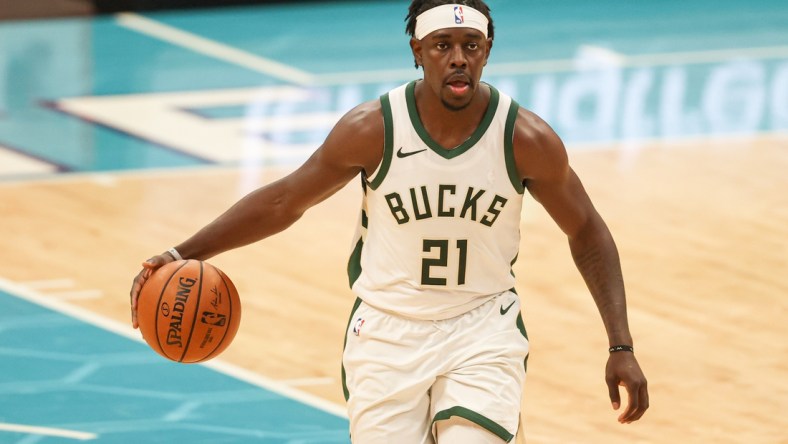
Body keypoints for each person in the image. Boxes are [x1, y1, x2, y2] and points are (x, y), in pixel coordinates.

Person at [129, 1, 649, 442]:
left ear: (487, 52)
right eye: (442, 45)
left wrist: (620, 345)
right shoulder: (372, 128)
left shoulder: (525, 139)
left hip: (482, 329)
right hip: (385, 333)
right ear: (418, 52)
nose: (458, 59)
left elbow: (587, 230)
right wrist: (182, 253)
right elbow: (284, 201)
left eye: (471, 45)